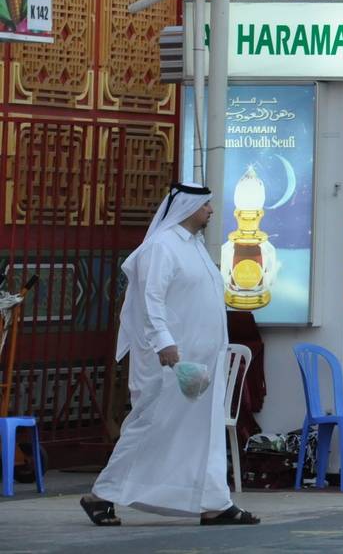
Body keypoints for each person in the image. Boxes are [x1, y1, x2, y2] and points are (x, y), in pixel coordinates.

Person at [81, 183, 259, 527]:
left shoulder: (193, 247)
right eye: (205, 205)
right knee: (150, 426)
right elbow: (151, 301)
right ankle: (101, 494)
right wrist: (164, 343)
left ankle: (213, 503)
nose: (210, 211)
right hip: (170, 363)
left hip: (201, 363)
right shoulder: (161, 247)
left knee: (203, 433)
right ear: (187, 207)